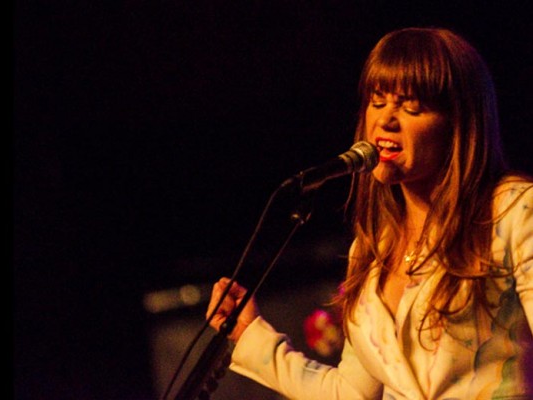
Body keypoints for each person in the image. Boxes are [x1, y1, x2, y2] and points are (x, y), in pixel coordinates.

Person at [206, 27, 533, 399]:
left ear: (458, 124)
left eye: (410, 106)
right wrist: (250, 336)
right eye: (377, 102)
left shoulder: (512, 213)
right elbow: (350, 393)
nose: (386, 120)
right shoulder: (372, 251)